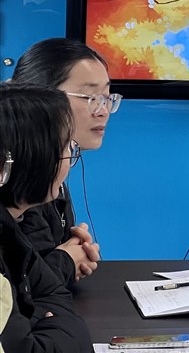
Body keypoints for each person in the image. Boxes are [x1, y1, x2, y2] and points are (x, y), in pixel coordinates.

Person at [10, 38, 116, 286]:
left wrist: (75, 250)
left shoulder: (54, 173)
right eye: (90, 97)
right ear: (37, 96)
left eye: (106, 97)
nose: (103, 110)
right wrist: (66, 261)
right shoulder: (16, 178)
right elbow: (17, 285)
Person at [0, 82, 92, 351]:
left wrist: (35, 320)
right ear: (32, 157)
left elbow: (52, 291)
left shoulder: (9, 229)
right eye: (66, 147)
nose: (70, 159)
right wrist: (49, 322)